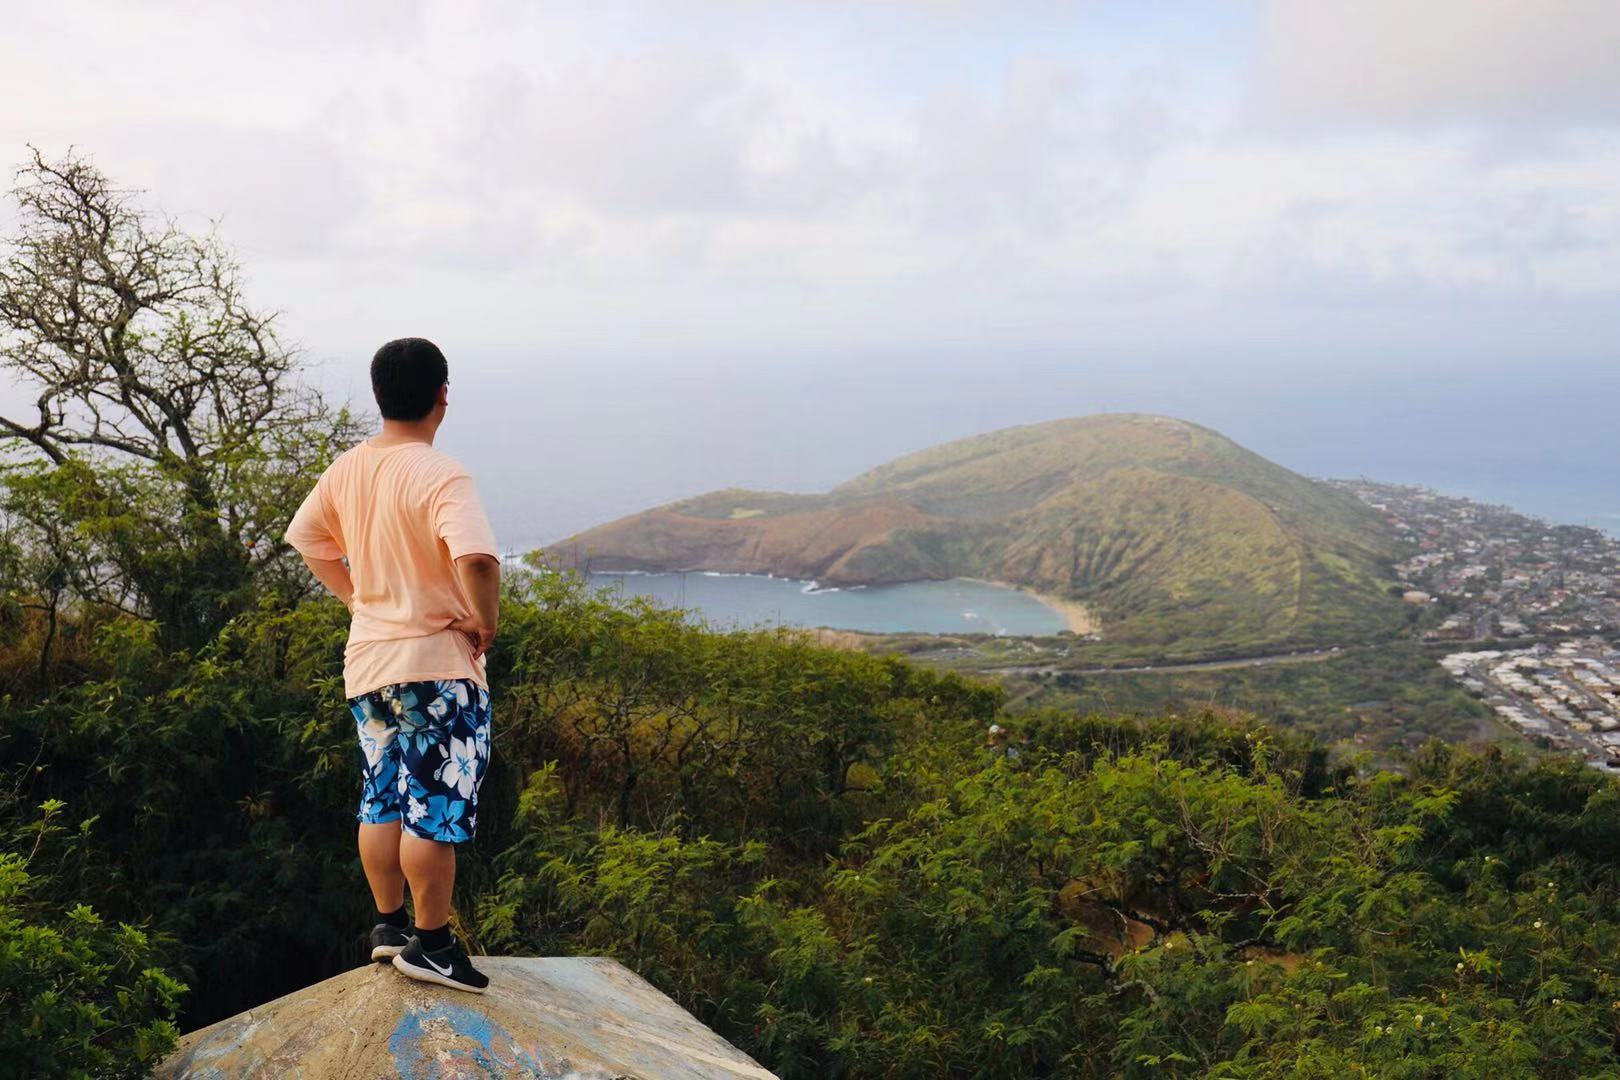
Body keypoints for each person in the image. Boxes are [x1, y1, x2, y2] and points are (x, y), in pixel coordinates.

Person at [285, 337, 500, 994]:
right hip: (433, 664)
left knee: (382, 797)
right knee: (433, 807)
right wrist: (483, 621)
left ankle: (389, 928)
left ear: (380, 397)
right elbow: (479, 559)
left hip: (369, 664)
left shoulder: (348, 468)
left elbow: (309, 541)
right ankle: (432, 946)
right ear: (442, 396)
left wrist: (359, 600)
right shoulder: (440, 474)